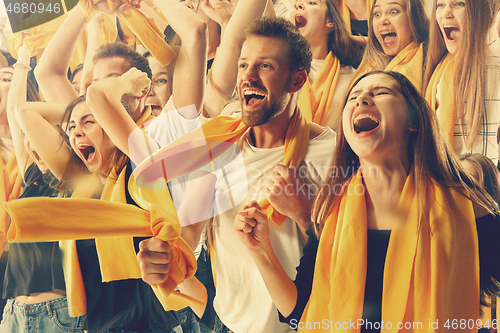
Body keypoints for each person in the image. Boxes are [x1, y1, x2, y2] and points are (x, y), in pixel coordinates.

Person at [232, 70, 500, 332]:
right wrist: (260, 250)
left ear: (413, 121)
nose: (361, 100)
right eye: (353, 97)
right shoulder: (331, 212)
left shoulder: (464, 205)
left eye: (381, 92)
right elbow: (301, 313)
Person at [138, 16, 336, 333]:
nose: (248, 77)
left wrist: (303, 211)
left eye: (265, 66)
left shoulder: (333, 153)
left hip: (302, 324)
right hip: (226, 323)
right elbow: (189, 233)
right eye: (243, 65)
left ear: (297, 81)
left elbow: (348, 253)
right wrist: (162, 260)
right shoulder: (220, 142)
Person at [423, 0, 500, 165]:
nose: (446, 13)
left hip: (474, 184)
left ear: (478, 12)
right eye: (440, 5)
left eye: (458, 4)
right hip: (444, 179)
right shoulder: (445, 65)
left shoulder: (489, 58)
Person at [292, 0, 364, 129]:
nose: (299, 5)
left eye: (311, 2)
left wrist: (349, 39)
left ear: (330, 21)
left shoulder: (353, 78)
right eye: (296, 5)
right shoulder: (282, 68)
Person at [354, 0, 428, 88]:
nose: (382, 21)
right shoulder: (369, 66)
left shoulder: (430, 59)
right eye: (377, 14)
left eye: (393, 11)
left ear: (414, 18)